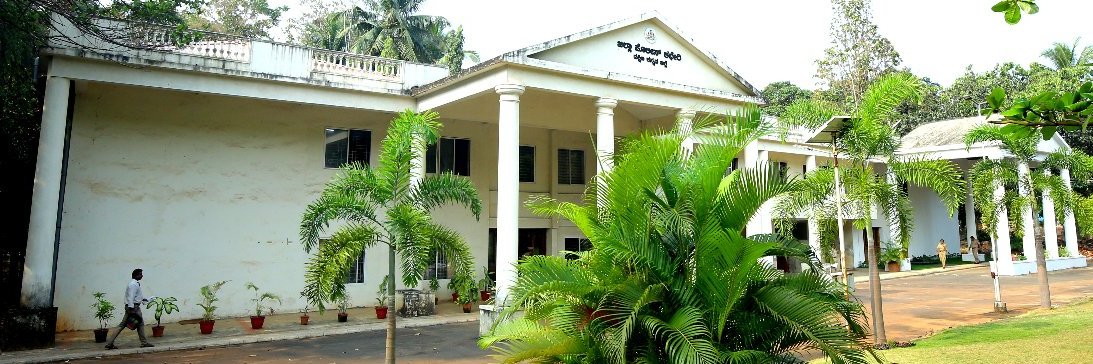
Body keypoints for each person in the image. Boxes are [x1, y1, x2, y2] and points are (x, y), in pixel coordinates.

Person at [104, 268, 154, 349]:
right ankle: (144, 343)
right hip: (134, 307)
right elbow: (131, 297)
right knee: (138, 323)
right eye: (140, 274)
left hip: (133, 306)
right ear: (136, 275)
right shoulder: (133, 285)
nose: (142, 276)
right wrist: (132, 309)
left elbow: (135, 296)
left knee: (126, 324)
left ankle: (110, 343)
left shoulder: (134, 284)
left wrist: (144, 299)